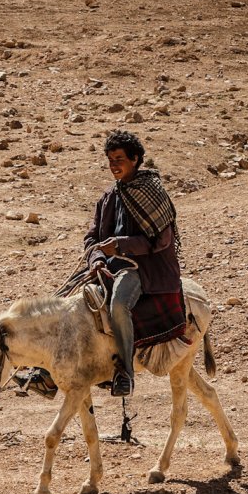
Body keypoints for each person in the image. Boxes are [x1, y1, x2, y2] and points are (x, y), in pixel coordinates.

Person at [84, 130, 182, 396]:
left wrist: (119, 245)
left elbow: (161, 240)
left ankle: (125, 372)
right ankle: (48, 373)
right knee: (68, 304)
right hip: (108, 265)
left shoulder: (152, 193)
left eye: (119, 159)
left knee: (118, 304)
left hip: (143, 268)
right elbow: (92, 237)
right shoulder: (108, 197)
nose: (114, 164)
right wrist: (96, 259)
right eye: (110, 160)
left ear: (135, 158)